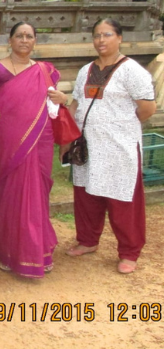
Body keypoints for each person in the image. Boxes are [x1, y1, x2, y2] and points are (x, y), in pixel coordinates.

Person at [63, 19, 155, 274]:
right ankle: (87, 240)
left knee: (121, 198)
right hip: (88, 145)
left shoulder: (132, 70)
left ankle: (129, 251)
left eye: (107, 34)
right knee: (86, 195)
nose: (101, 40)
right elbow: (76, 104)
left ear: (119, 37)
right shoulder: (85, 70)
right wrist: (68, 137)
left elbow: (148, 108)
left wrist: (121, 127)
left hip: (119, 147)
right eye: (97, 35)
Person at [0, 21, 67, 277]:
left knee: (37, 195)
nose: (24, 40)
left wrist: (63, 98)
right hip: (7, 144)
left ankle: (38, 252)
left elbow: (52, 104)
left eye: (29, 36)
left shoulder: (44, 71)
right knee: (8, 196)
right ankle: (9, 251)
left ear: (35, 41)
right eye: (19, 36)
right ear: (10, 40)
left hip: (40, 142)